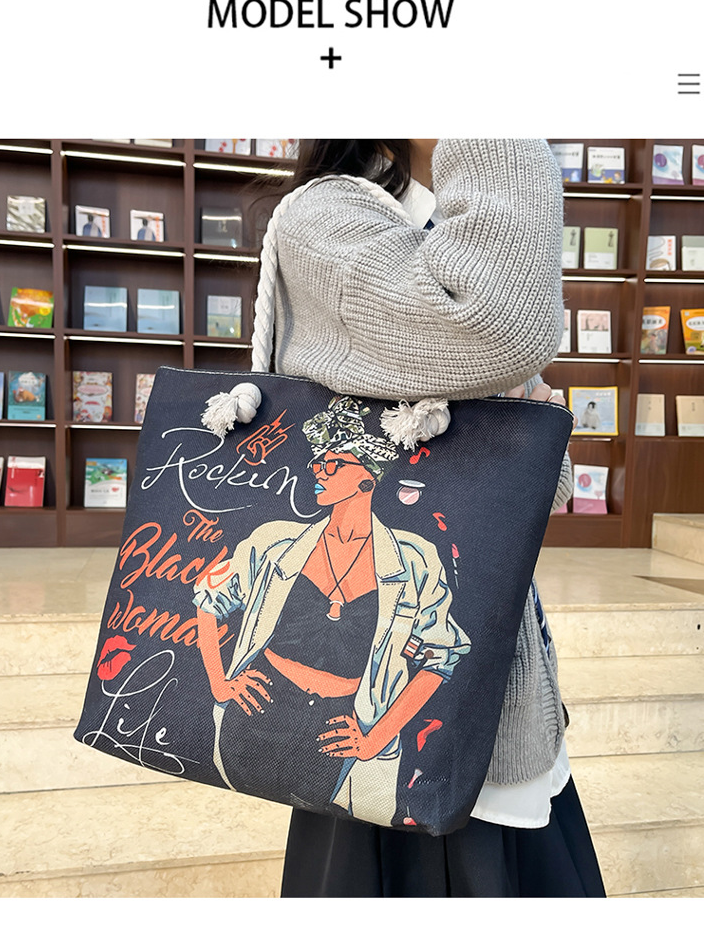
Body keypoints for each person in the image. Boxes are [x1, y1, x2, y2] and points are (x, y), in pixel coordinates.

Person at [250, 139, 606, 897]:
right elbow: (502, 330)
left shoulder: (471, 219)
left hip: (498, 698)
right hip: (370, 724)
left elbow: (540, 488)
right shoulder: (330, 218)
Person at [193, 394, 471, 825]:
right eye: (317, 464)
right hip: (255, 713)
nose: (318, 471)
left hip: (343, 727)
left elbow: (441, 657)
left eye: (334, 464)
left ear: (368, 479)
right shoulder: (276, 541)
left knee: (336, 822)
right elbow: (210, 599)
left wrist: (375, 739)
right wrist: (220, 683)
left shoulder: (415, 560)